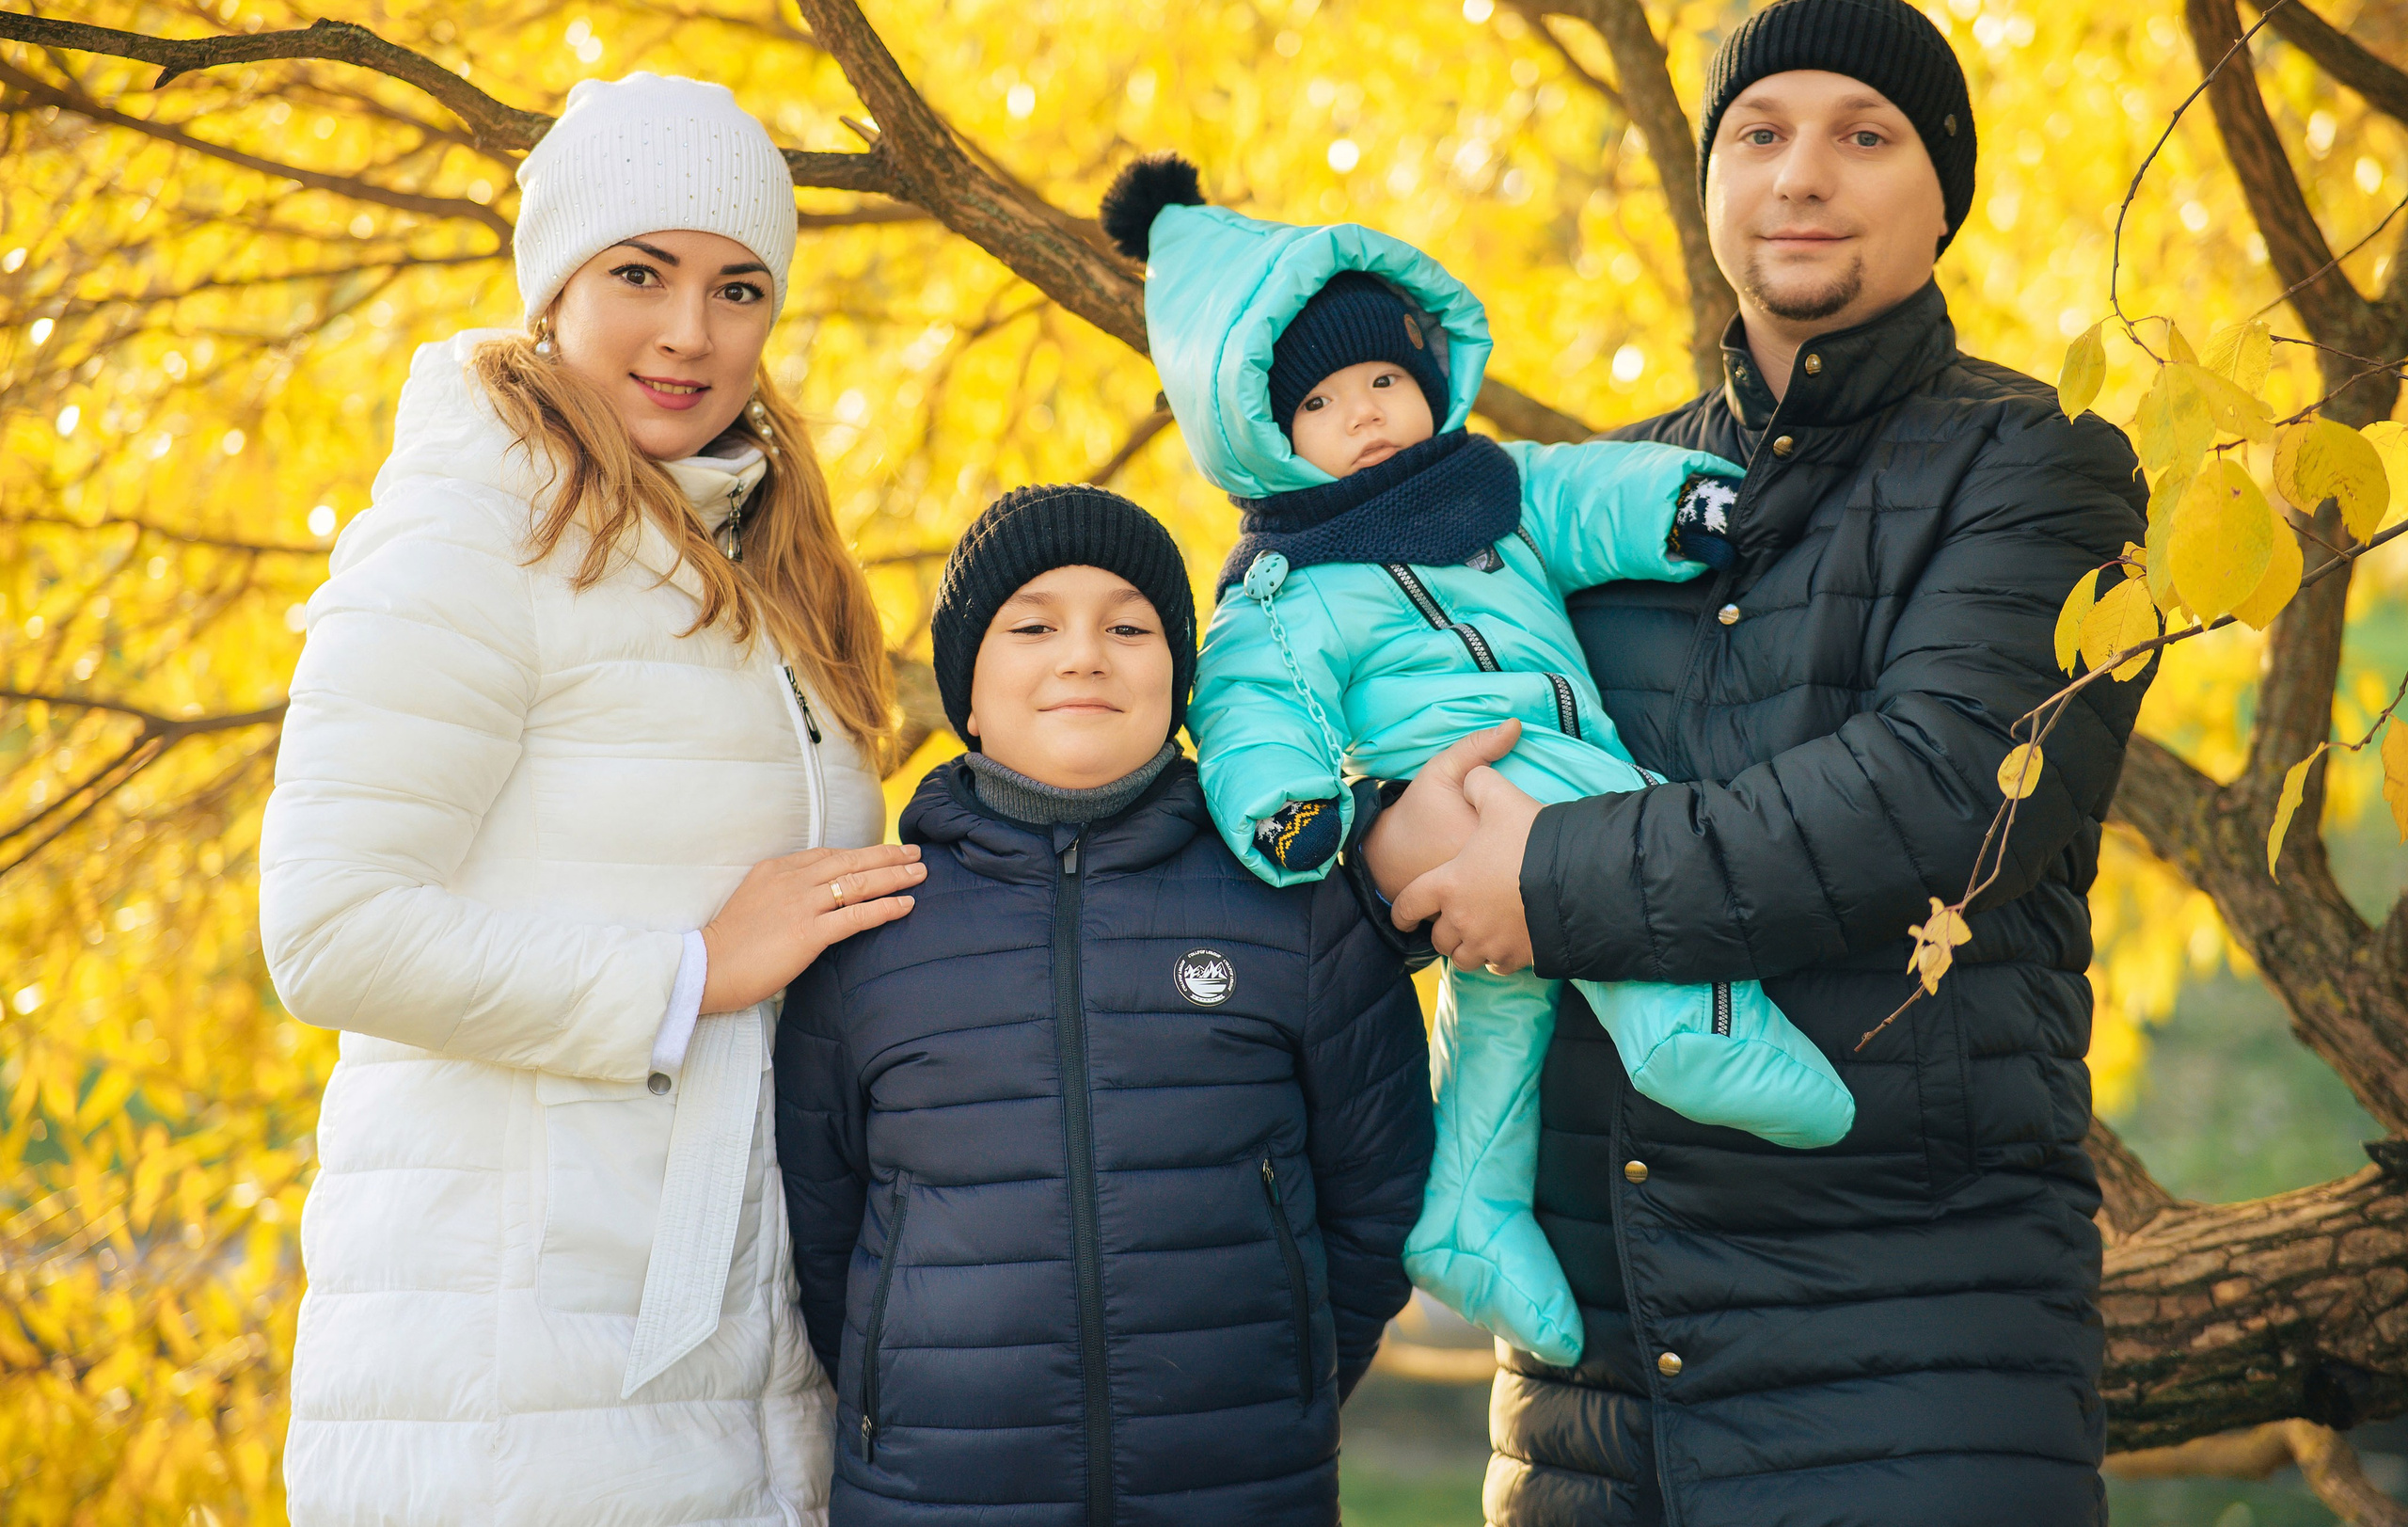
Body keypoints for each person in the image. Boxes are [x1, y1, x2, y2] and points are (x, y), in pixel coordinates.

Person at [1364, 0, 2154, 1524]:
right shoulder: (1603, 499)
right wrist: (1390, 840)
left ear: (1945, 199)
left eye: (1864, 137)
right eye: (1761, 133)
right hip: (1599, 1381)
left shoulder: (2047, 467)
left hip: (1909, 1339)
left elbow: (1929, 794)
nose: (1801, 174)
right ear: (1714, 182)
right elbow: (1436, 733)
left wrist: (1543, 869)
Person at [260, 73, 923, 1526]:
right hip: (509, 1390)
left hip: (731, 1371)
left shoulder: (754, 560)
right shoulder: (464, 537)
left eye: (736, 287)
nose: (691, 331)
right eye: (641, 272)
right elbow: (329, 927)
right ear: (555, 284)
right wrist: (688, 969)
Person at [1093, 156, 1853, 1373]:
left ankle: (1466, 1208)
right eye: (1325, 402)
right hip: (1483, 786)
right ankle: (1686, 1022)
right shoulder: (1290, 584)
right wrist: (1286, 803)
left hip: (1543, 772)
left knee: (1505, 1003)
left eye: (1385, 378)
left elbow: (1587, 493)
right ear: (1268, 433)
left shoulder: (1489, 489)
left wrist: (1686, 509)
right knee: (1627, 833)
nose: (1368, 413)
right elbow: (1255, 702)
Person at [773, 485, 1433, 1526]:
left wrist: (1291, 1379)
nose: (1084, 654)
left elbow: (1376, 1193)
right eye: (1033, 624)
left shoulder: (1296, 909)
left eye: (1127, 626)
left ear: (1176, 679)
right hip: (934, 1489)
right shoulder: (871, 924)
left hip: (1238, 1481)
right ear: (968, 691)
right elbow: (820, 1229)